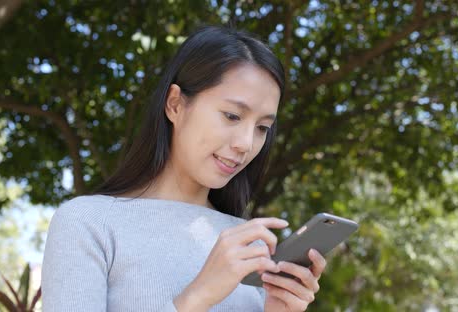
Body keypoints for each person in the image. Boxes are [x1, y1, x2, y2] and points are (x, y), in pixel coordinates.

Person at [41, 25, 327, 312]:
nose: (246, 143)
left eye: (262, 127)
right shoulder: (89, 223)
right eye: (232, 116)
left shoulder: (252, 245)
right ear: (175, 104)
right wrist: (197, 297)